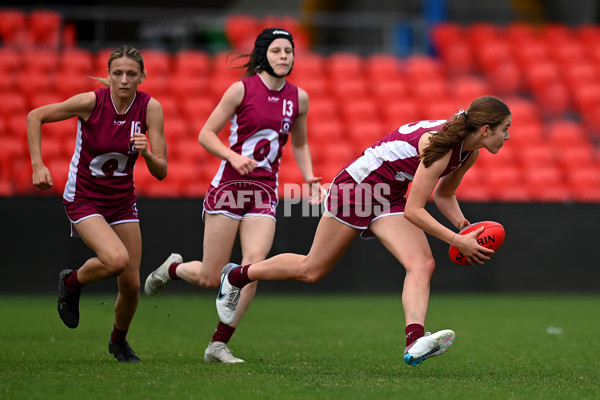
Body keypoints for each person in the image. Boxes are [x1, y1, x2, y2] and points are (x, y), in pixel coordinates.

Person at [215, 96, 512, 366]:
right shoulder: (442, 147)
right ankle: (236, 275)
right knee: (311, 269)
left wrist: (464, 226)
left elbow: (444, 195)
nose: (508, 136)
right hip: (357, 188)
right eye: (504, 129)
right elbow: (415, 210)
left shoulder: (468, 152)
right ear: (486, 130)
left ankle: (414, 342)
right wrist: (456, 240)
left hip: (388, 192)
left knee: (422, 263)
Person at [144, 28, 323, 363]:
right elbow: (205, 134)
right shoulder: (241, 89)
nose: (284, 56)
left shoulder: (299, 97)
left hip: (264, 191)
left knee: (252, 267)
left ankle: (218, 344)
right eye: (277, 51)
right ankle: (172, 269)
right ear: (263, 55)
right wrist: (232, 156)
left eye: (289, 51)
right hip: (229, 188)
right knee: (209, 278)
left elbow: (299, 143)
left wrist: (309, 177)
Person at [27, 45, 168, 362]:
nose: (123, 80)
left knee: (131, 284)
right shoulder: (91, 101)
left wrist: (146, 153)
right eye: (117, 73)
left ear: (142, 77)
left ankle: (118, 341)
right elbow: (35, 116)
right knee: (116, 259)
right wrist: (38, 165)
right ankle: (71, 282)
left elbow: (162, 171)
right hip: (85, 197)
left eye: (131, 74)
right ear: (108, 76)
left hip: (122, 201)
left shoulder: (150, 109)